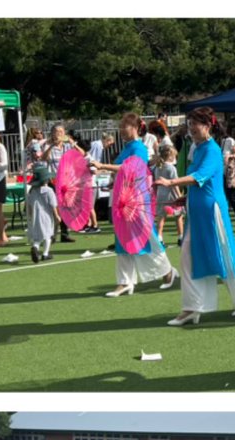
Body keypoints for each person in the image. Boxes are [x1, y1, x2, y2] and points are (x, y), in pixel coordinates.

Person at [159, 107, 235, 326]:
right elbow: (200, 181)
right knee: (188, 257)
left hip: (212, 212)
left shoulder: (212, 150)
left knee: (224, 256)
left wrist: (171, 182)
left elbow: (199, 176)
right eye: (189, 124)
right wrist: (186, 199)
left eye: (195, 124)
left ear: (208, 126)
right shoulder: (197, 148)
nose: (191, 128)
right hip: (197, 210)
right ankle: (192, 307)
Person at [98, 111, 177, 299]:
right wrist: (112, 181)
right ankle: (125, 281)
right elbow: (123, 173)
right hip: (124, 201)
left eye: (124, 127)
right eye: (120, 128)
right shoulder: (127, 148)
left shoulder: (139, 149)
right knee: (123, 240)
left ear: (134, 128)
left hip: (138, 202)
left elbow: (129, 169)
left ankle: (167, 272)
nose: (121, 131)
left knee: (148, 238)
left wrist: (102, 166)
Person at [44, 123, 75, 243]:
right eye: (56, 132)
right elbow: (44, 158)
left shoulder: (67, 147)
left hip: (66, 180)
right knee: (54, 208)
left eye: (61, 132)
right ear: (52, 134)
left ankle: (64, 233)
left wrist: (72, 143)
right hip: (53, 179)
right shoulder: (48, 145)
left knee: (65, 208)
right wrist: (52, 146)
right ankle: (51, 234)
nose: (59, 134)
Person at [26, 162, 58, 263]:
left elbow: (30, 205)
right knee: (48, 235)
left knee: (37, 236)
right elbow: (53, 205)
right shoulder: (49, 191)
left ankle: (35, 247)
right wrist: (57, 216)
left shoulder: (32, 191)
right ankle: (45, 253)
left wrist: (31, 216)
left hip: (35, 216)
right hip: (46, 216)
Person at [154, 144, 184, 246]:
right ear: (170, 155)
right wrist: (179, 195)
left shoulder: (158, 168)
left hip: (161, 195)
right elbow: (174, 183)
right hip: (171, 195)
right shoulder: (171, 168)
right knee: (178, 215)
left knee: (161, 217)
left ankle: (159, 238)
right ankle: (181, 237)